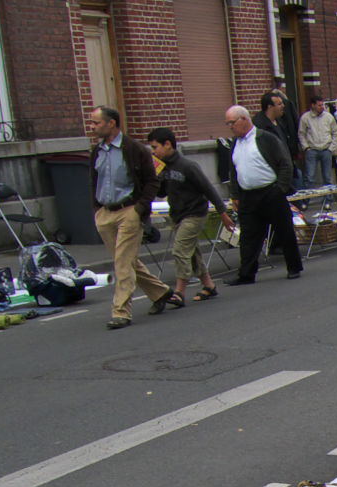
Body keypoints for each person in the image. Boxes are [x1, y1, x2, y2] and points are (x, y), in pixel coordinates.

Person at [86, 106, 176, 329]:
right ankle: (161, 292)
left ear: (112, 124)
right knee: (125, 259)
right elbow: (94, 180)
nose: (92, 127)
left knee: (122, 263)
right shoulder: (97, 151)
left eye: (96, 123)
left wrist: (139, 208)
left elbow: (152, 181)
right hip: (106, 211)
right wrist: (97, 209)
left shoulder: (135, 149)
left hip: (129, 210)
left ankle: (121, 311)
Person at [147, 127, 235, 303]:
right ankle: (209, 285)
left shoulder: (188, 166)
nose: (154, 152)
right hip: (178, 214)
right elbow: (163, 191)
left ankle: (179, 291)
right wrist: (156, 176)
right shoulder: (163, 167)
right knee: (192, 252)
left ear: (168, 144)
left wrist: (223, 213)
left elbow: (208, 189)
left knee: (180, 250)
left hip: (195, 213)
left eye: (155, 147)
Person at [222, 104, 302, 285]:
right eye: (228, 124)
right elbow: (234, 171)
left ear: (244, 120)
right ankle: (247, 273)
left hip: (270, 192)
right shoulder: (235, 143)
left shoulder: (266, 138)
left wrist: (280, 188)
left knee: (284, 230)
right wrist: (235, 195)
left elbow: (285, 163)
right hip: (248, 195)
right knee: (248, 236)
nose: (230, 127)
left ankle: (293, 267)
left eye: (232, 123)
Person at [255, 91, 303, 186]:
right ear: (270, 107)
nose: (283, 106)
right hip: (274, 174)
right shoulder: (259, 125)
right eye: (279, 104)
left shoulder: (280, 121)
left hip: (288, 168)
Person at [298, 96, 337, 189]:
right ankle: (307, 200)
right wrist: (306, 148)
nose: (322, 107)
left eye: (323, 105)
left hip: (326, 149)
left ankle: (328, 200)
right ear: (313, 105)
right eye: (319, 105)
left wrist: (331, 148)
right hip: (312, 150)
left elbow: (336, 132)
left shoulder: (329, 117)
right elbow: (301, 133)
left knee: (327, 177)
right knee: (310, 177)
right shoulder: (305, 118)